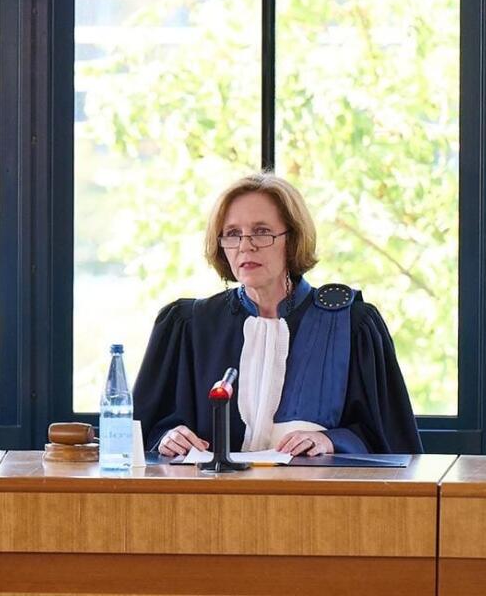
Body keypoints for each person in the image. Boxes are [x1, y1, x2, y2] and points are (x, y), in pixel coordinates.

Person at [133, 173, 422, 457]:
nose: (245, 246)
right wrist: (167, 439)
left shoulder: (350, 325)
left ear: (292, 239)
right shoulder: (189, 325)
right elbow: (139, 436)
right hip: (210, 490)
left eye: (261, 232)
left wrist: (331, 441)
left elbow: (393, 447)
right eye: (232, 234)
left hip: (314, 489)